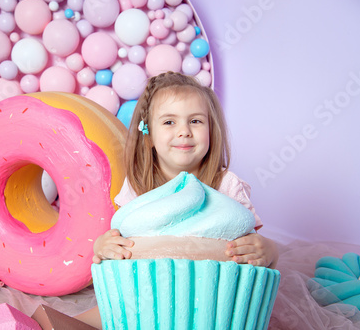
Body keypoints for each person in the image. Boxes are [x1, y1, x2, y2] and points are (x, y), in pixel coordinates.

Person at [92, 71, 278, 269]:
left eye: (195, 121)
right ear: (148, 136)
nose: (184, 131)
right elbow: (120, 238)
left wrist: (269, 250)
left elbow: (251, 248)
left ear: (211, 131)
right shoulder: (137, 186)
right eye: (169, 122)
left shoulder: (227, 185)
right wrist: (101, 245)